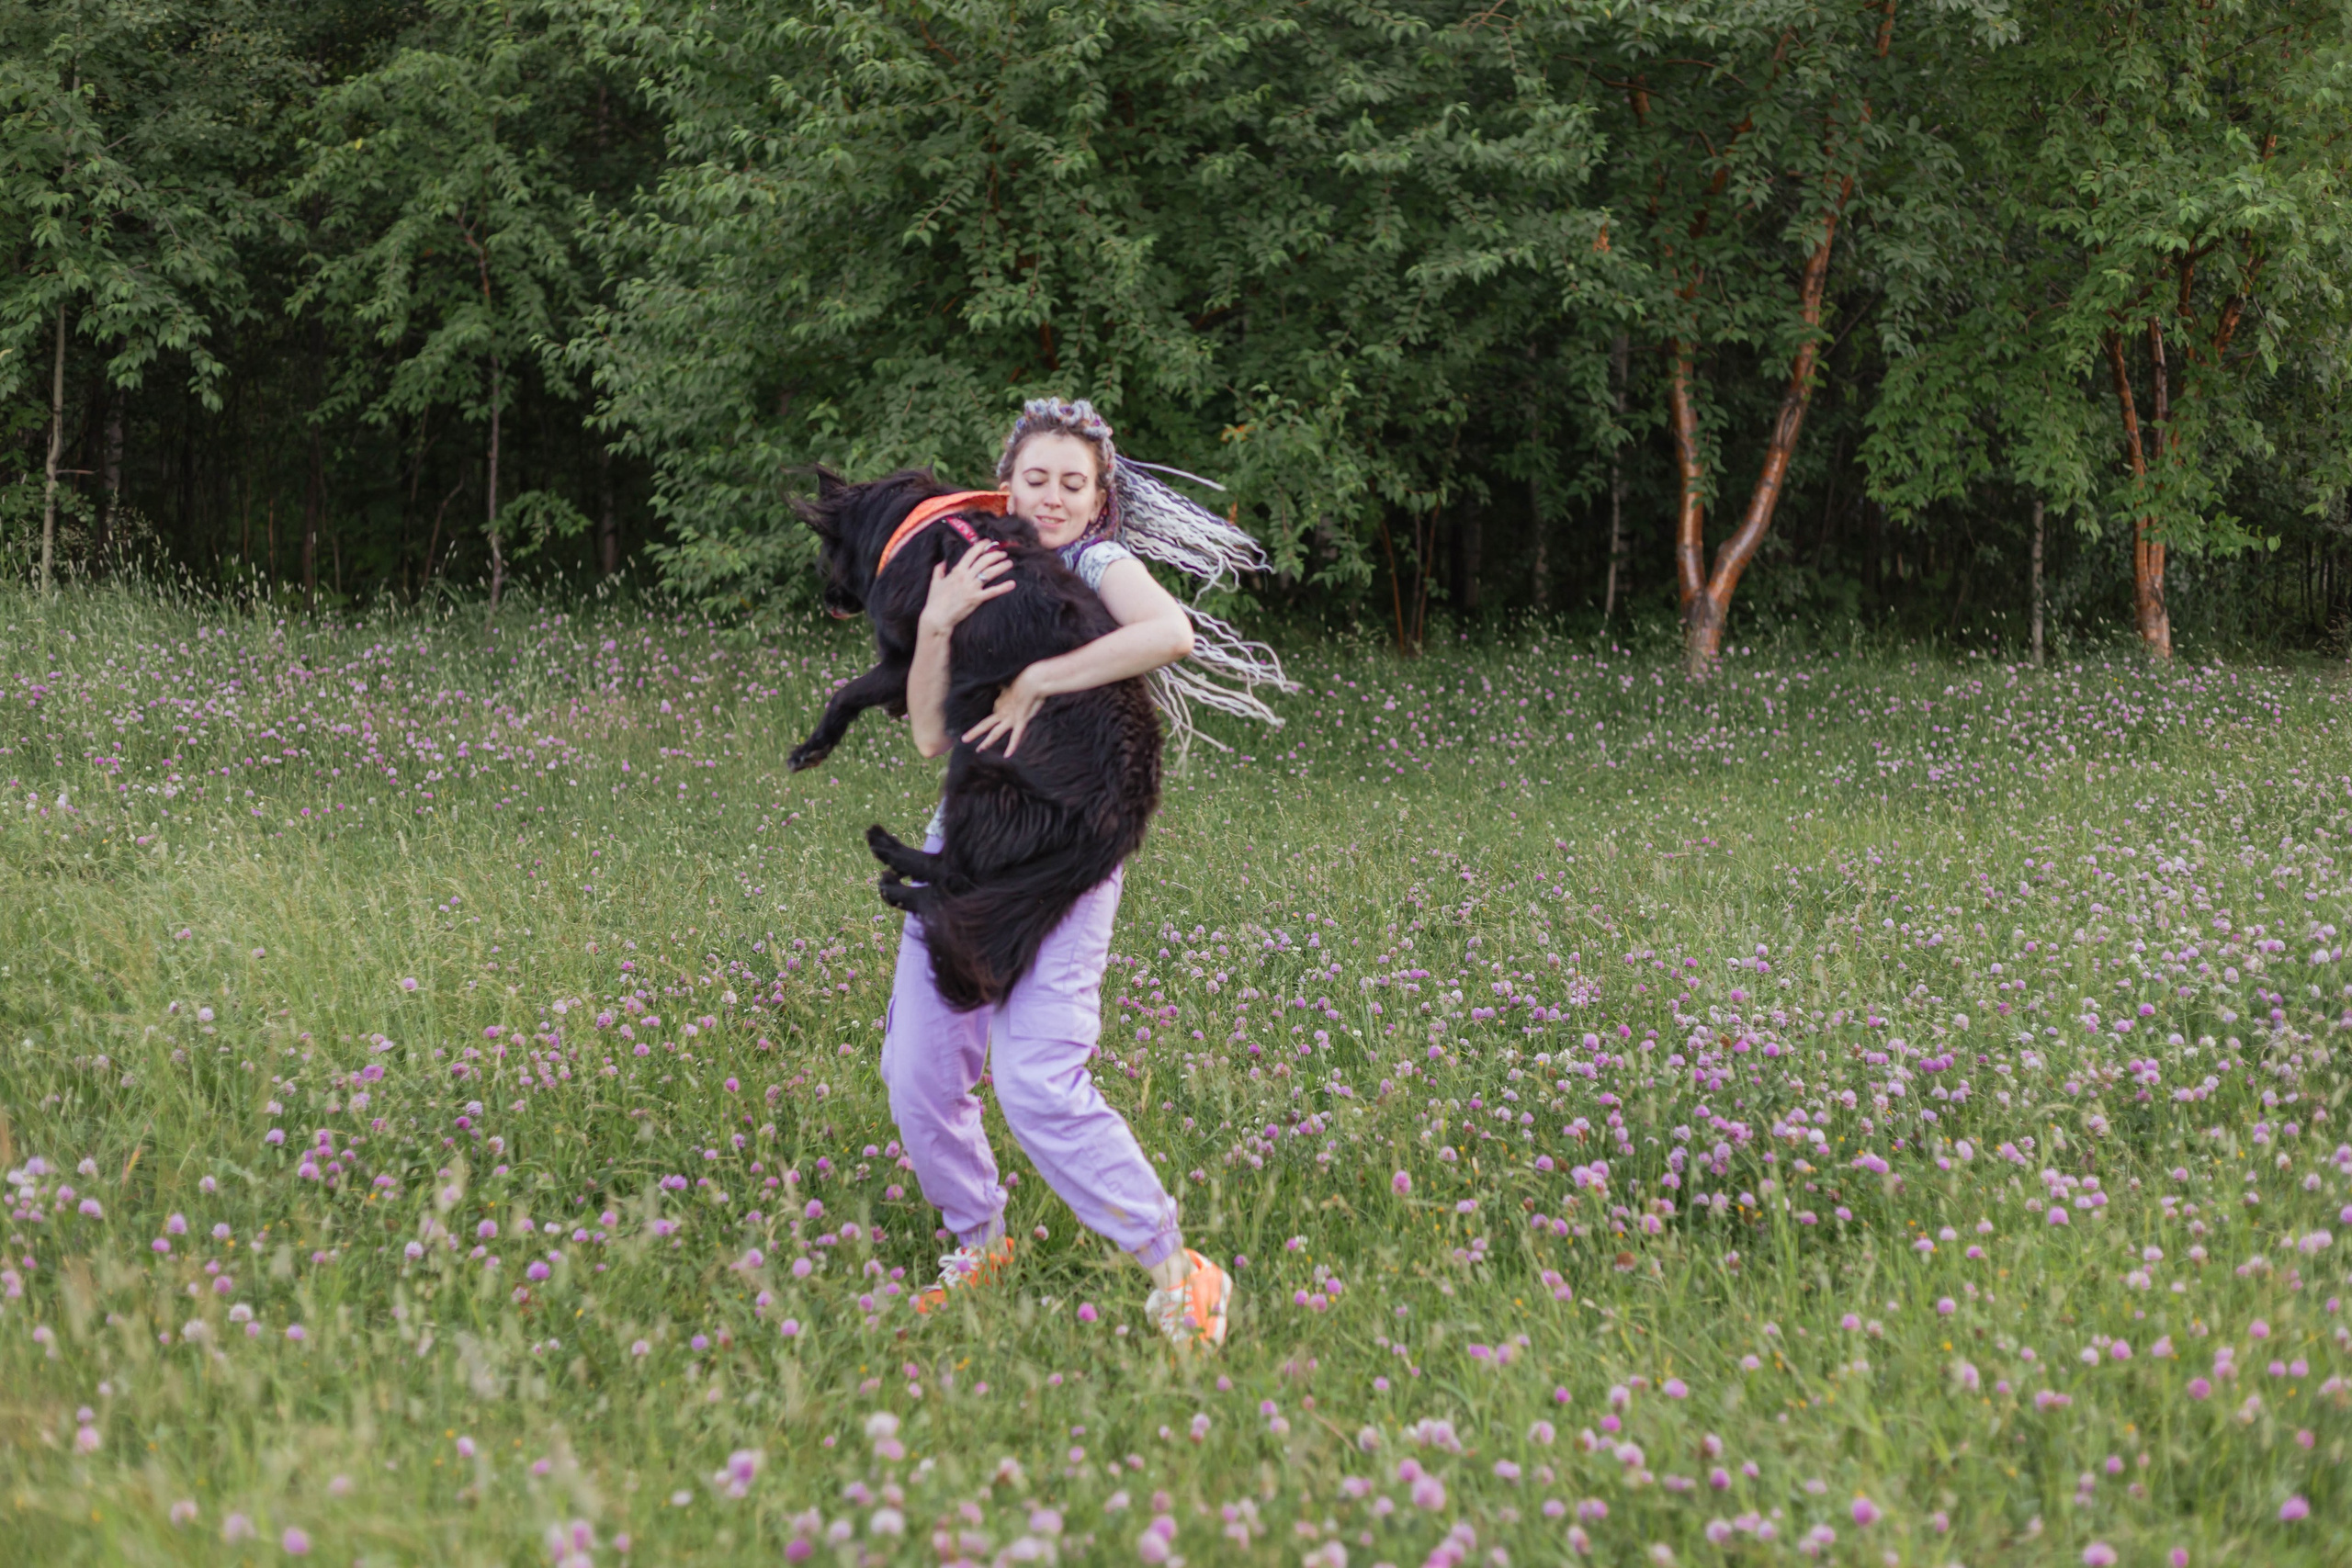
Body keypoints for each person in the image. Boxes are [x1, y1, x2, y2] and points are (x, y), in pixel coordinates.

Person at [877, 397, 1288, 1350]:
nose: (1052, 498)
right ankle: (976, 1244)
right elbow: (933, 732)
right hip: (972, 845)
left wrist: (1037, 681)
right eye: (1036, 480)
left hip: (1067, 850)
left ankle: (1175, 1269)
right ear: (1006, 483)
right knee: (917, 1070)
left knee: (1036, 1079)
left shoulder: (1097, 565)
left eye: (1072, 483)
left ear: (1099, 498)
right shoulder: (975, 568)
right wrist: (937, 624)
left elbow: (1168, 634)